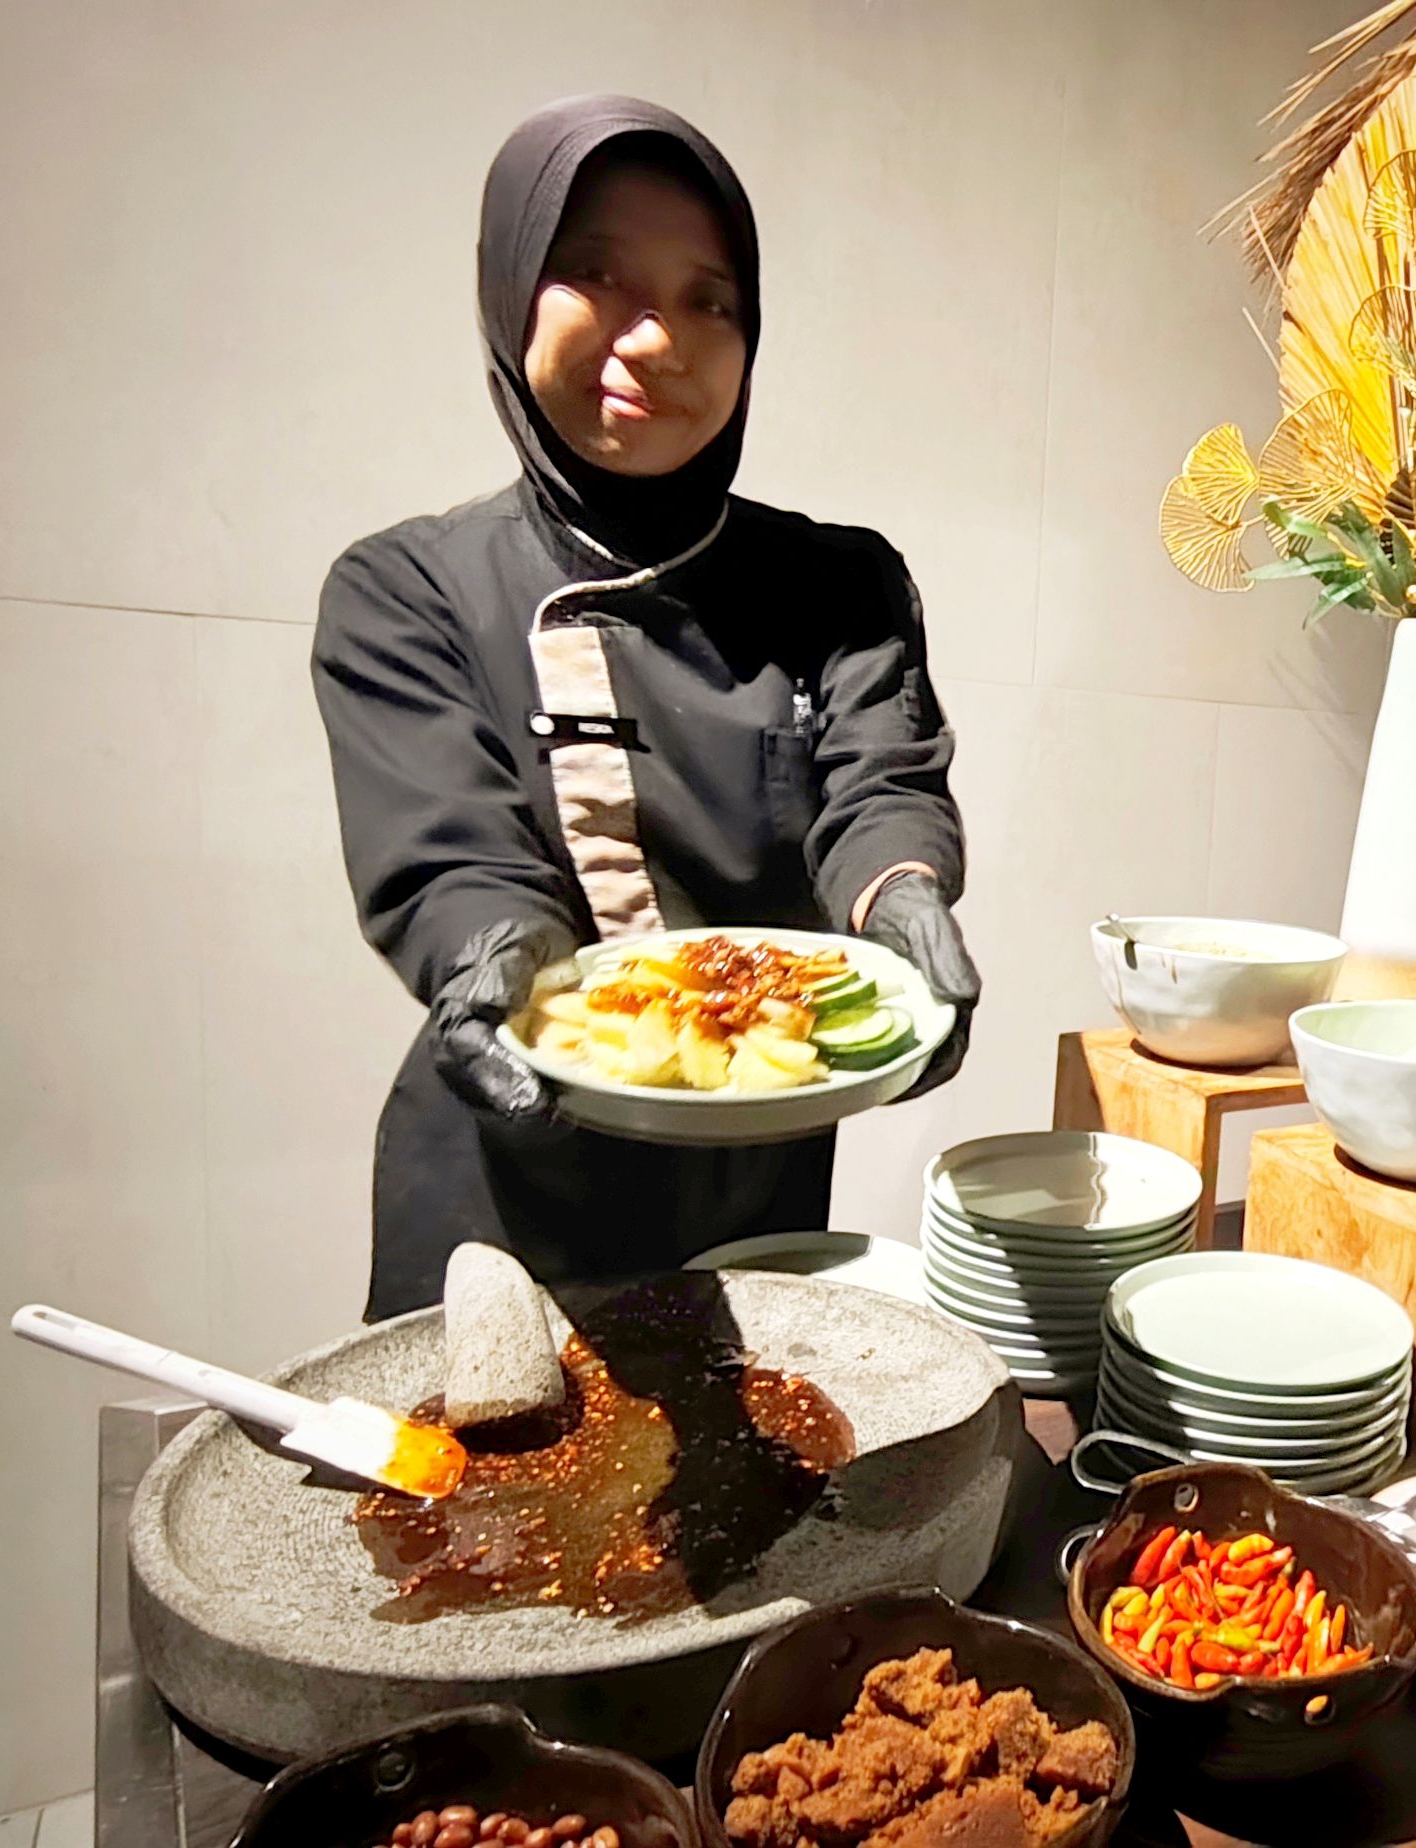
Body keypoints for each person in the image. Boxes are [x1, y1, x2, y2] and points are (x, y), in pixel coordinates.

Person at [313, 97, 977, 1319]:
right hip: (501, 1185)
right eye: (594, 277)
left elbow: (878, 784)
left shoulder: (841, 581)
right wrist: (495, 954)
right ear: (512, 292)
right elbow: (449, 852)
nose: (656, 337)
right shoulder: (406, 587)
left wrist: (904, 900)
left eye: (707, 298)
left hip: (754, 1176)